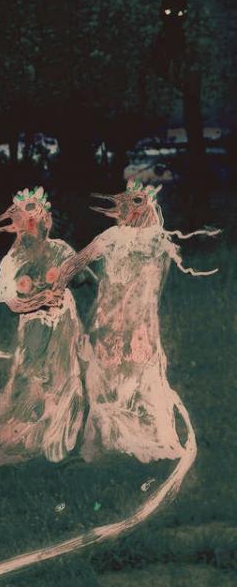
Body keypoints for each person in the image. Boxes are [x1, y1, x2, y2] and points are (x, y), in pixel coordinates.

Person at [48, 180, 218, 462]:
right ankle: (111, 434)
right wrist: (59, 285)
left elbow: (155, 284)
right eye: (129, 203)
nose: (131, 209)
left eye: (137, 202)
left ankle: (133, 432)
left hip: (137, 319)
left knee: (137, 372)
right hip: (114, 316)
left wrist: (67, 279)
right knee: (111, 372)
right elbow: (76, 264)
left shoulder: (155, 240)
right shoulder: (115, 237)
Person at [0, 187, 86, 467]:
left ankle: (58, 433)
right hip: (35, 326)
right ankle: (27, 432)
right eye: (25, 222)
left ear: (46, 221)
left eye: (36, 220)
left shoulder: (61, 249)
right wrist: (40, 299)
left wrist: (70, 277)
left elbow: (82, 277)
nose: (32, 227)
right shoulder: (12, 260)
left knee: (62, 373)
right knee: (32, 374)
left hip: (64, 322)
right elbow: (13, 303)